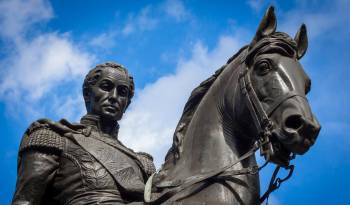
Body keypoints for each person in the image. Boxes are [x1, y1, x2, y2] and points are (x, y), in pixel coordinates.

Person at [11, 62, 156, 205]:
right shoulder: (53, 137)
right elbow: (25, 201)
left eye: (122, 92)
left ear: (127, 104)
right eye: (106, 87)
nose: (114, 96)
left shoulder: (143, 163)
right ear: (87, 94)